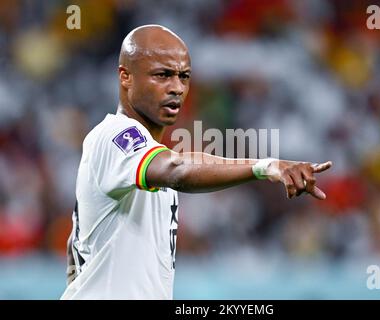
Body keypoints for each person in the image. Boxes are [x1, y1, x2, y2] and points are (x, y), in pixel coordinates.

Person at [61, 24, 332, 300]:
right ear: (125, 76)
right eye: (163, 75)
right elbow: (177, 169)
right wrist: (264, 167)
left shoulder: (141, 157)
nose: (177, 88)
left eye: (184, 76)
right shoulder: (114, 134)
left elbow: (76, 245)